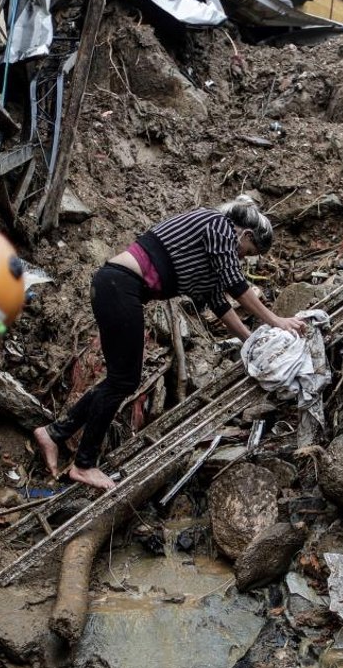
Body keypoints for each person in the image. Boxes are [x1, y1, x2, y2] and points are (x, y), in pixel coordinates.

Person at [33, 196, 305, 491]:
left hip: (116, 288)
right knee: (123, 380)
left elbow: (219, 302)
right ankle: (84, 465)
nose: (240, 258)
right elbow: (236, 284)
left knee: (121, 379)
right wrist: (276, 321)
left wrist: (252, 343)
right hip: (120, 286)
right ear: (246, 234)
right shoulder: (218, 225)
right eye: (246, 252)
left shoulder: (210, 256)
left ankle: (54, 433)